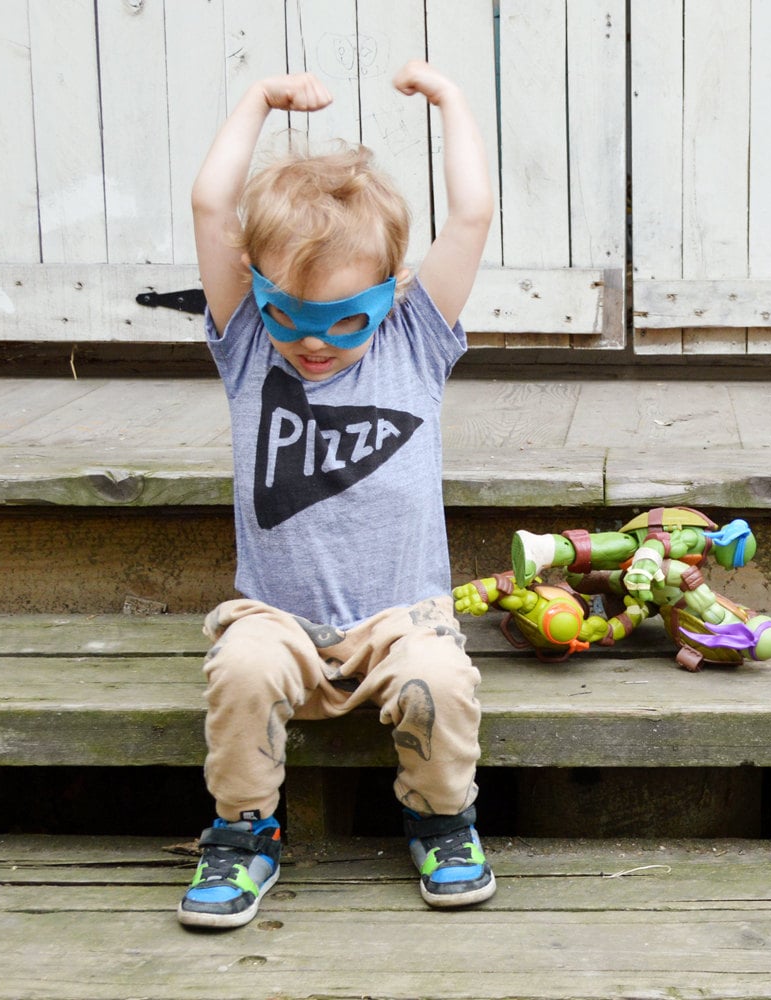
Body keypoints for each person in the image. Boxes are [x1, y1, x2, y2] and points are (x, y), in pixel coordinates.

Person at [177, 60, 495, 930]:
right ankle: (243, 834)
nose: (315, 347)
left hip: (402, 618)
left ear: (387, 297)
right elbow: (212, 204)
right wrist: (258, 100)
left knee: (440, 680)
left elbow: (470, 215)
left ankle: (442, 821)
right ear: (259, 293)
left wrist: (453, 101)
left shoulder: (414, 340)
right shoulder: (247, 346)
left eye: (344, 322)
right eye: (294, 320)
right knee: (240, 669)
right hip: (277, 617)